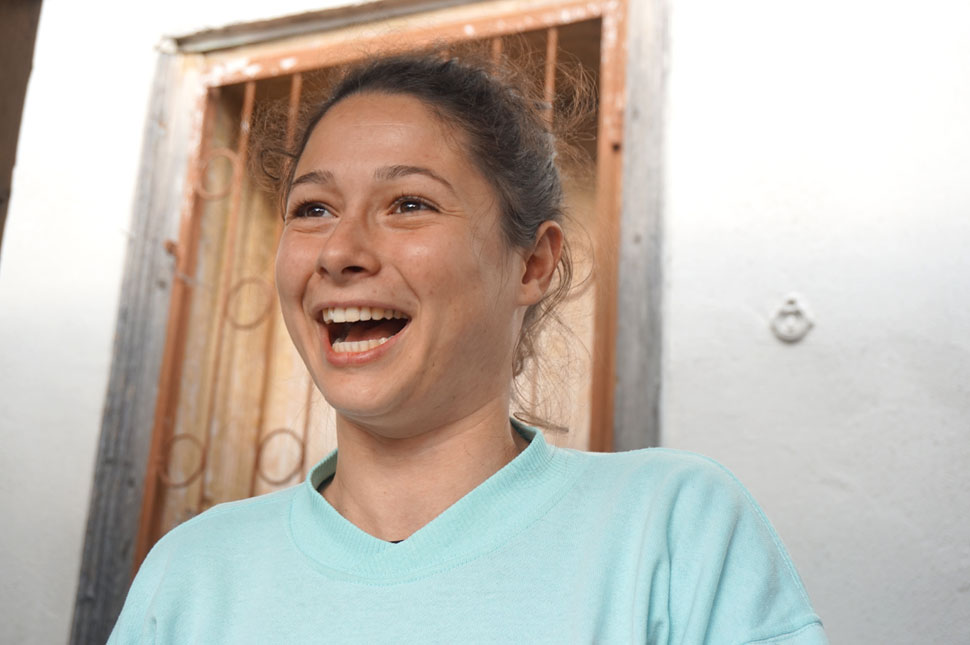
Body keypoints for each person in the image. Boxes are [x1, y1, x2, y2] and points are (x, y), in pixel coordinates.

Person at [109, 51, 827, 644]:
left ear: (532, 264)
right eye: (313, 208)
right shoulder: (191, 576)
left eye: (409, 204)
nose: (339, 251)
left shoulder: (671, 531)